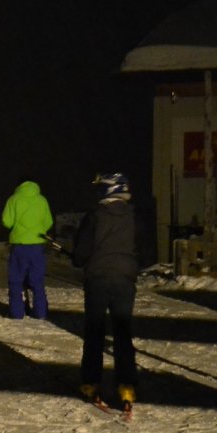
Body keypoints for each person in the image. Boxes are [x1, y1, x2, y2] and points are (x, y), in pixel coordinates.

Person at [71, 172, 139, 412]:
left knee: (95, 332)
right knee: (122, 333)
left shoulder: (95, 216)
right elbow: (146, 249)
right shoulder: (133, 216)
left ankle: (91, 383)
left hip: (98, 279)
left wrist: (80, 259)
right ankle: (127, 386)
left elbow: (80, 253)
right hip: (124, 280)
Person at [1, 178, 53, 320]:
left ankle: (17, 313)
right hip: (37, 245)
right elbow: (49, 221)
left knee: (16, 280)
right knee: (37, 280)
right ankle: (41, 313)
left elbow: (6, 221)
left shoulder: (13, 199)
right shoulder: (42, 200)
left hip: (19, 245)